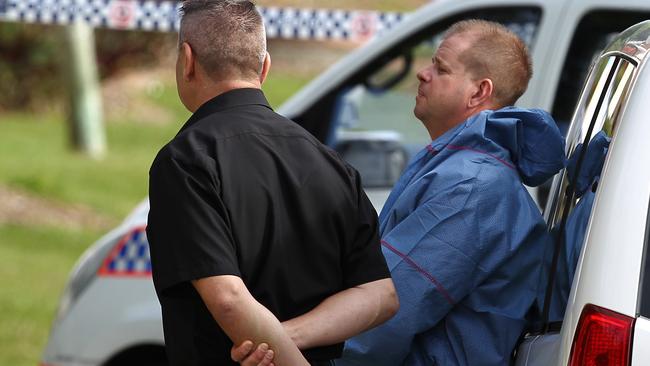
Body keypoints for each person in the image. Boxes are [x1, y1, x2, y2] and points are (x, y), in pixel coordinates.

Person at [235, 19, 567, 366]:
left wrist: (281, 345)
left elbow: (387, 312)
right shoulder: (459, 167)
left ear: (479, 92)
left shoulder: (472, 188)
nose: (423, 73)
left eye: (441, 68)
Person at [146, 1, 398, 365]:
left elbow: (229, 298)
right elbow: (378, 294)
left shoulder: (186, 161)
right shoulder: (330, 161)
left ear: (187, 60)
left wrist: (280, 347)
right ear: (264, 66)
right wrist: (288, 338)